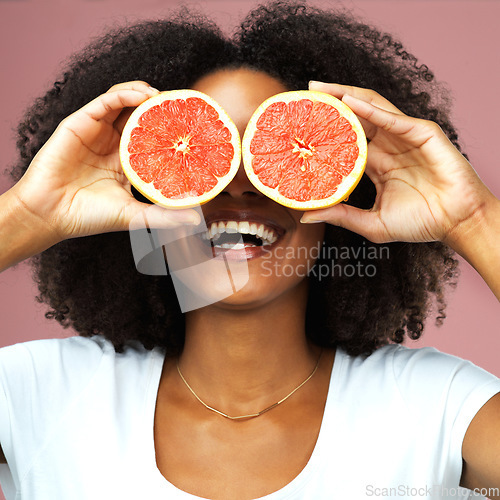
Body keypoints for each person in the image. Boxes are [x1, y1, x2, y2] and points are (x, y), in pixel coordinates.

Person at [0, 1, 499, 499]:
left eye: (276, 154)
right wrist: (30, 212)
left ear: (342, 188)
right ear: (140, 188)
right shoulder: (38, 393)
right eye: (198, 155)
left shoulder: (439, 406)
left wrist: (472, 219)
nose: (239, 188)